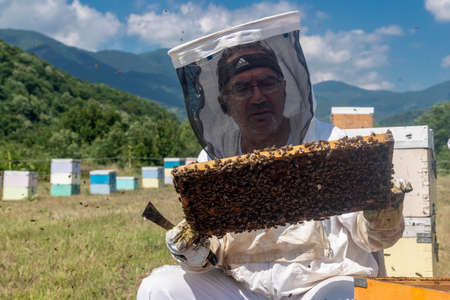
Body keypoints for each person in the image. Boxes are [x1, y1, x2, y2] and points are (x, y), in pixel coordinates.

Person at [137, 13, 409, 300]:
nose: (258, 97)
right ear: (223, 102)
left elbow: (374, 239)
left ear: (284, 89)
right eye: (242, 88)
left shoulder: (332, 144)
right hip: (244, 291)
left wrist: (382, 216)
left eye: (267, 83)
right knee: (160, 287)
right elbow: (212, 255)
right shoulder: (212, 159)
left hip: (325, 285)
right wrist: (193, 250)